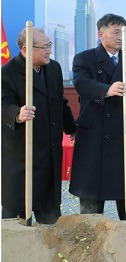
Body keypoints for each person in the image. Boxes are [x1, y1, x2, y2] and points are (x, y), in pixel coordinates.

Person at [69, 13, 126, 220]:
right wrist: (107, 89)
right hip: (94, 134)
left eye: (124, 32)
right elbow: (82, 84)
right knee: (91, 197)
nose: (121, 36)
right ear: (100, 34)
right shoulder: (84, 59)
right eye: (116, 32)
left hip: (123, 133)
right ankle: (90, 237)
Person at [2, 27, 76, 224]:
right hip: (21, 156)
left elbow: (60, 102)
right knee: (16, 225)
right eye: (44, 47)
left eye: (49, 45)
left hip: (49, 152)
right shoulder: (7, 73)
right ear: (26, 49)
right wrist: (17, 114)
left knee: (50, 223)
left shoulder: (54, 68)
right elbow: (3, 104)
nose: (49, 51)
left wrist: (72, 128)